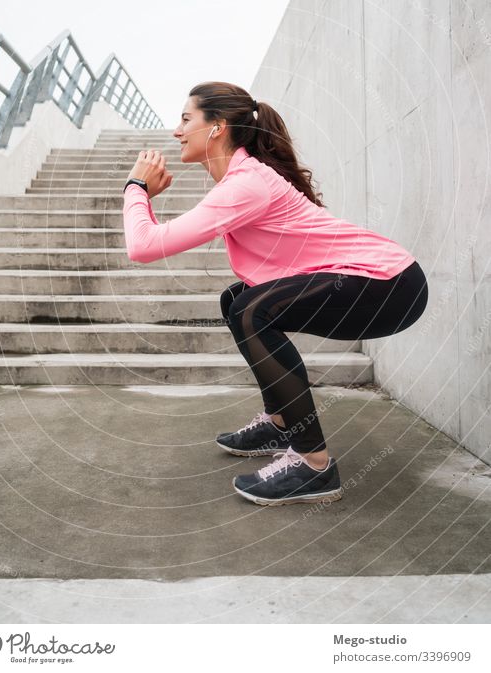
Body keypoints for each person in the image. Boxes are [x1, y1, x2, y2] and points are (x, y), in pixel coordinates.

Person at [122, 81, 429, 507]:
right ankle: (281, 421)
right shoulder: (242, 179)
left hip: (391, 283)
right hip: (384, 280)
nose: (176, 131)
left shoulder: (245, 184)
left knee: (251, 310)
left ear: (217, 127)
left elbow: (142, 246)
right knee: (237, 299)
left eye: (186, 119)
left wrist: (136, 188)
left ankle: (313, 464)